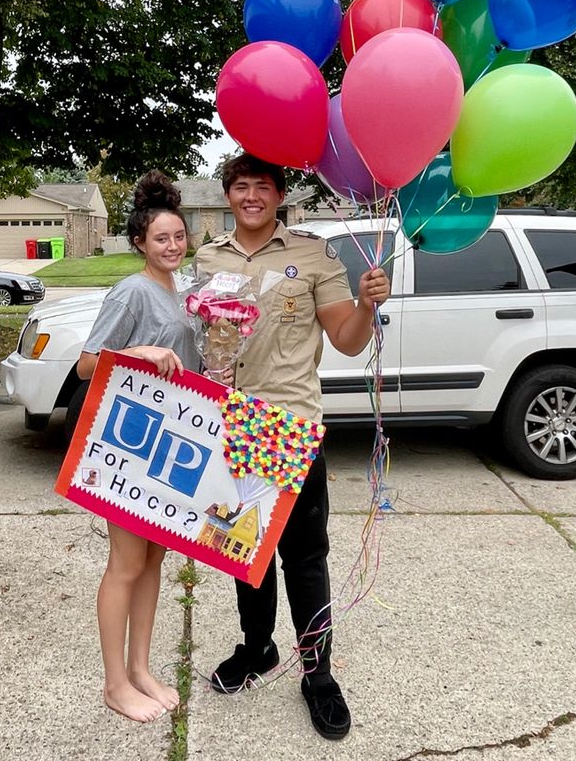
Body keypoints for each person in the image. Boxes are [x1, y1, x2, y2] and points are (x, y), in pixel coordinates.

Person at [195, 153, 391, 741]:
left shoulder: (313, 254)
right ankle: (257, 649)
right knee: (241, 553)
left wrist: (365, 305)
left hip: (290, 426)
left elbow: (349, 341)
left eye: (262, 186)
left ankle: (318, 674)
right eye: (239, 186)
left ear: (280, 195)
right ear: (227, 194)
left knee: (304, 561)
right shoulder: (207, 257)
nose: (250, 195)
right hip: (231, 425)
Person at [76, 169, 199, 723]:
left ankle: (141, 668)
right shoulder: (131, 290)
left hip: (173, 442)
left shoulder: (186, 288)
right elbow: (86, 364)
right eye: (161, 239)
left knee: (153, 560)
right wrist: (141, 352)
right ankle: (113, 683)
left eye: (178, 237)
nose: (172, 246)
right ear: (139, 244)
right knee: (125, 563)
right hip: (127, 441)